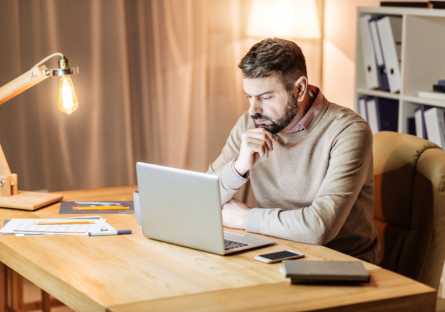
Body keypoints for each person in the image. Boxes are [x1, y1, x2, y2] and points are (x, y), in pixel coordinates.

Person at [207, 38, 380, 263]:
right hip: (277, 249)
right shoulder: (250, 124)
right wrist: (239, 167)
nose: (253, 110)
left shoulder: (348, 131)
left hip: (339, 263)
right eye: (249, 96)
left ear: (299, 88)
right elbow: (203, 198)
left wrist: (246, 218)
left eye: (266, 97)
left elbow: (319, 227)